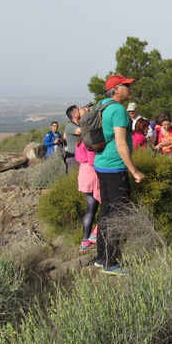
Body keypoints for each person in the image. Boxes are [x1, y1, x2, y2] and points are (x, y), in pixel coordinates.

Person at [93, 74, 146, 275]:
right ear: (116, 89)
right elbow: (121, 143)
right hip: (115, 167)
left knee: (106, 211)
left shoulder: (102, 105)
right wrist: (135, 171)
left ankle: (101, 258)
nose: (130, 89)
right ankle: (112, 263)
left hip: (101, 164)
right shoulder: (118, 110)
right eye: (126, 86)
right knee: (118, 215)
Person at [75, 104, 100, 252]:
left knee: (90, 209)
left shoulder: (80, 139)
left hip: (83, 173)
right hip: (92, 173)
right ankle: (95, 235)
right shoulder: (89, 140)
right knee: (104, 206)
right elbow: (92, 160)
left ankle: (85, 241)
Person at [63, 105, 82, 172]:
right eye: (78, 111)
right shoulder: (69, 125)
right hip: (73, 157)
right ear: (74, 115)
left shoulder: (80, 124)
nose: (80, 111)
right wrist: (84, 116)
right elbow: (82, 131)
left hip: (81, 156)